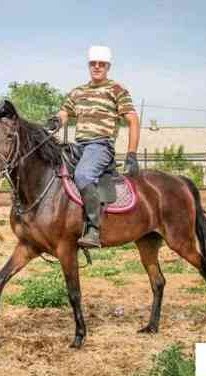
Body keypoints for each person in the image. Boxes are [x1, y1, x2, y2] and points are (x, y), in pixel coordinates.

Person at [57, 45, 140, 248]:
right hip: (79, 146)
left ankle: (94, 229)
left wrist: (131, 154)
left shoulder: (116, 90)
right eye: (93, 63)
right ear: (89, 65)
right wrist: (56, 120)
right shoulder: (78, 92)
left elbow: (133, 121)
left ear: (108, 66)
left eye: (101, 64)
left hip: (100, 145)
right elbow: (65, 112)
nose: (96, 67)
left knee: (84, 176)